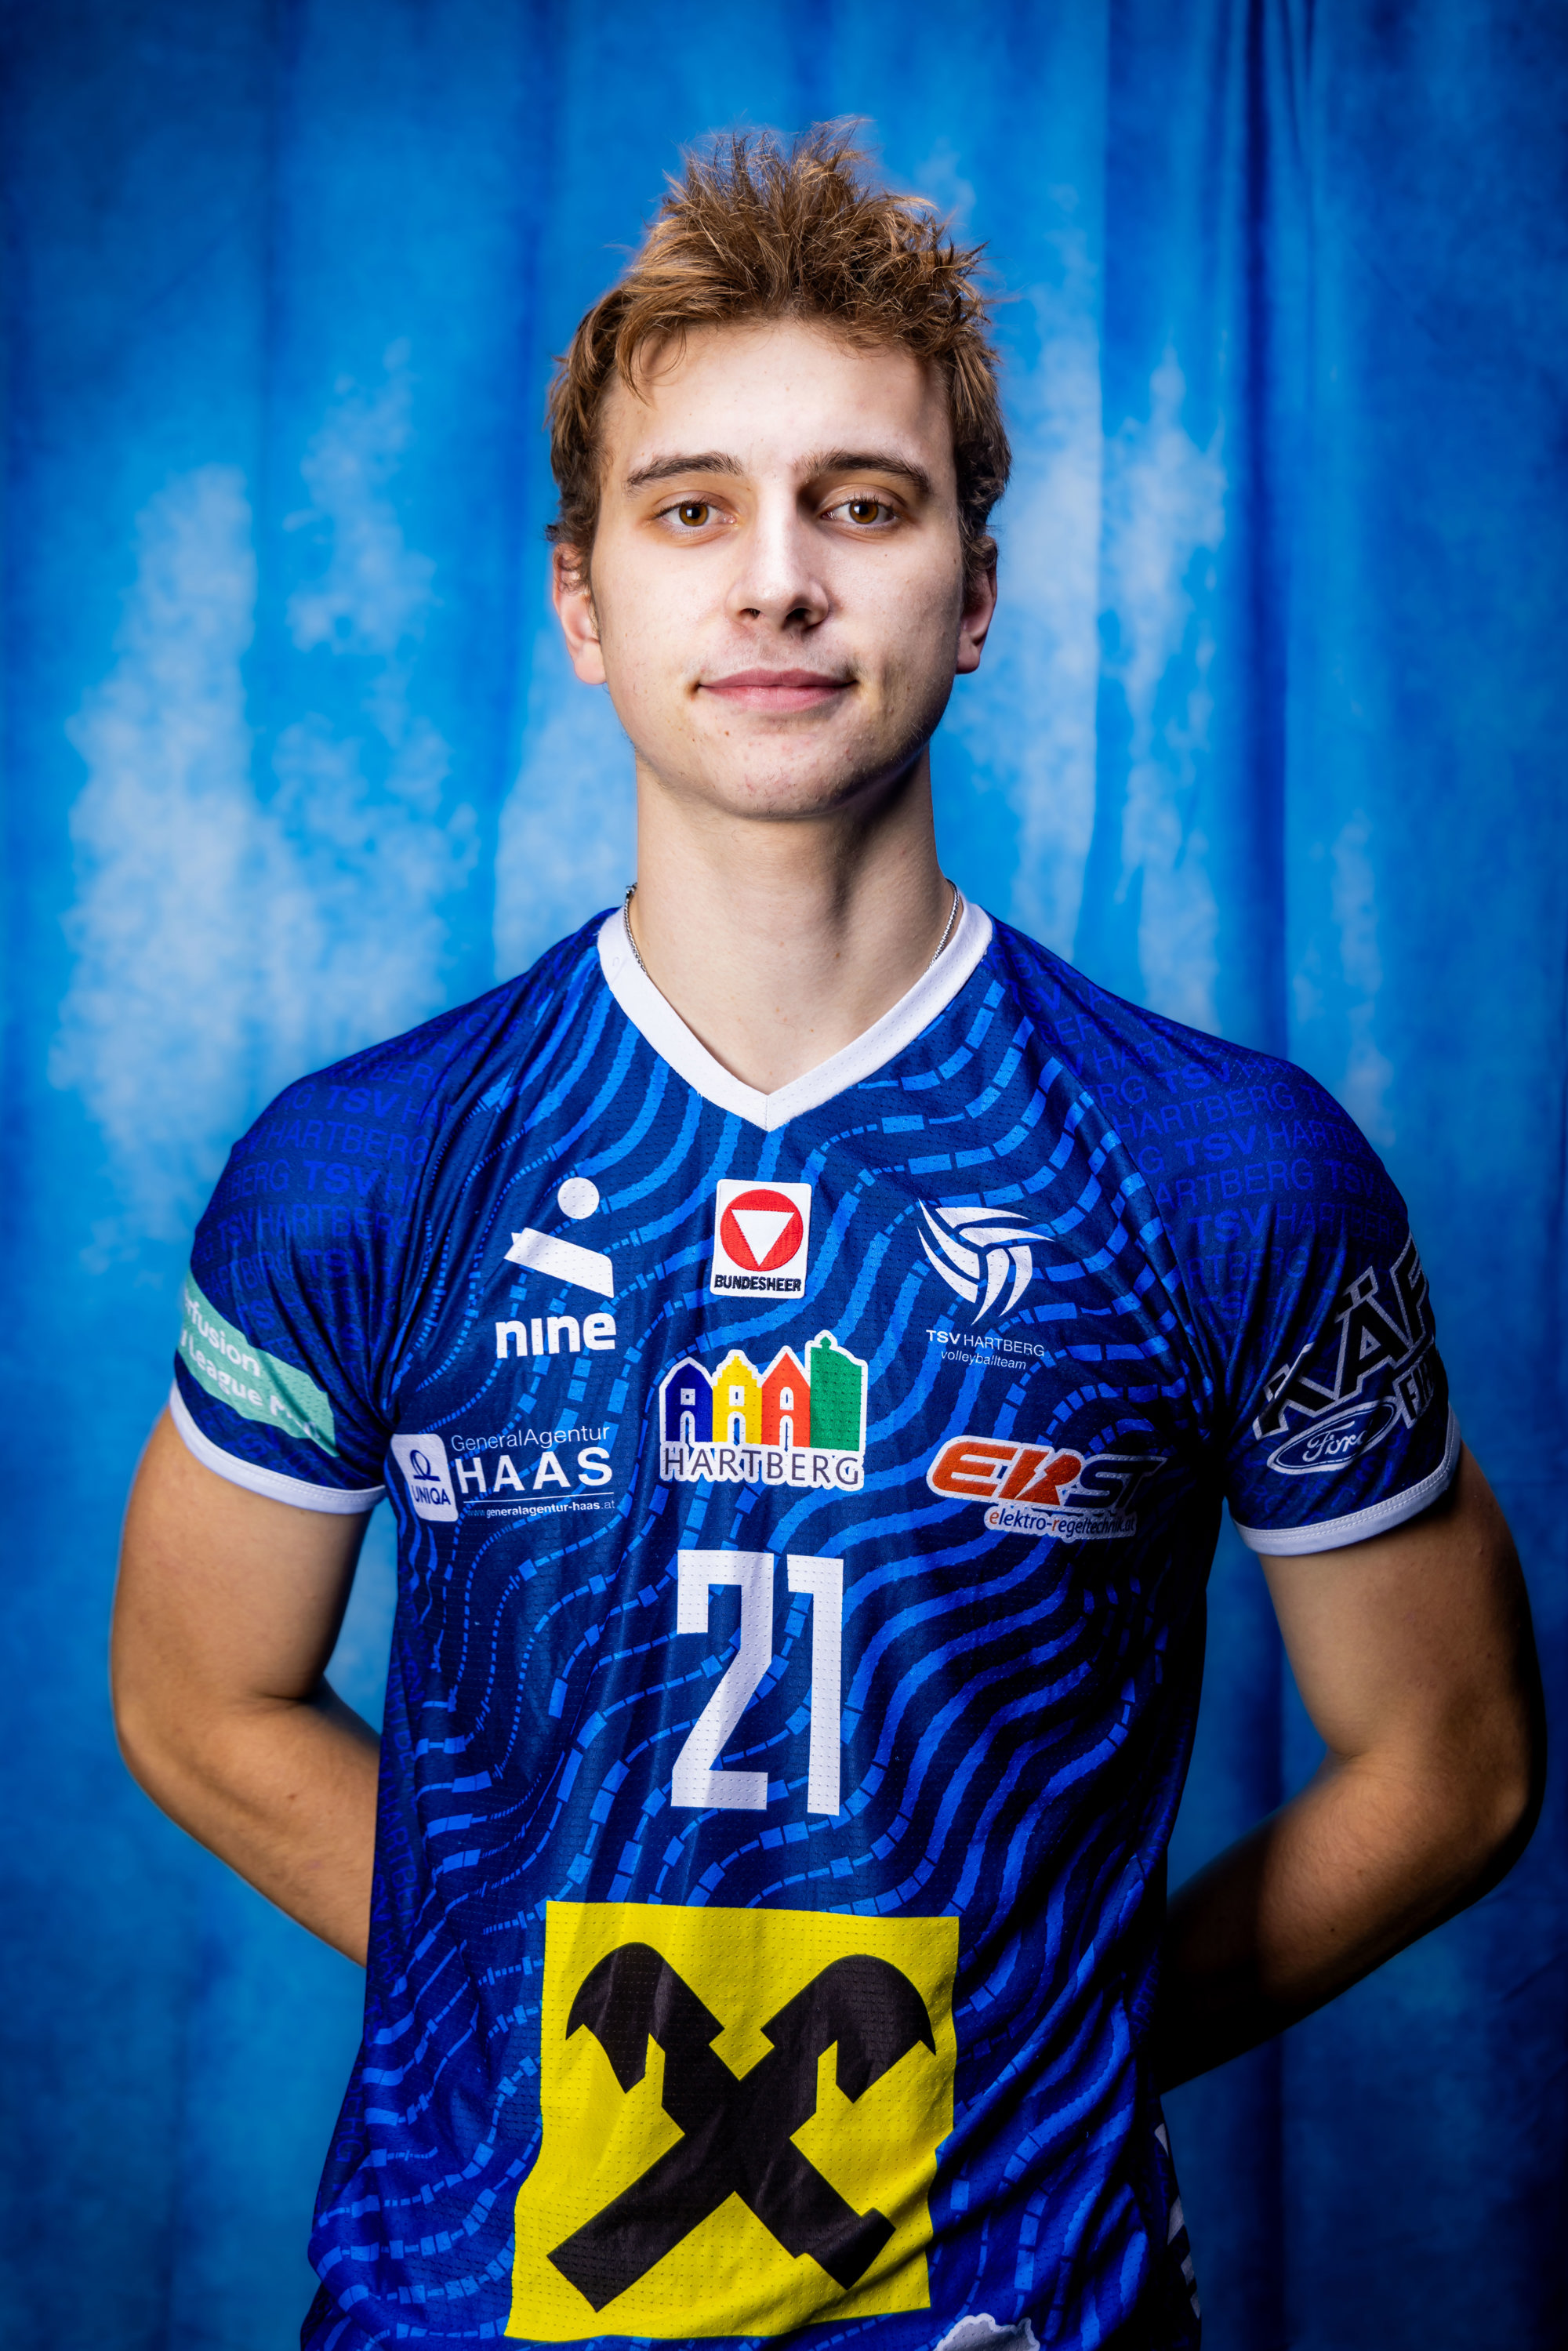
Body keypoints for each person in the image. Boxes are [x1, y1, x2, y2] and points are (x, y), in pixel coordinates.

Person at [112, 129, 1541, 2351]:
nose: (777, 583)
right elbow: (196, 1695)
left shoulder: (1228, 1171)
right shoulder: (363, 1166)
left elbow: (1455, 1762)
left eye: (861, 506)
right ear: (583, 602)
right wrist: (508, 1987)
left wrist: (1046, 2043)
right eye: (691, 511)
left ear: (974, 593)